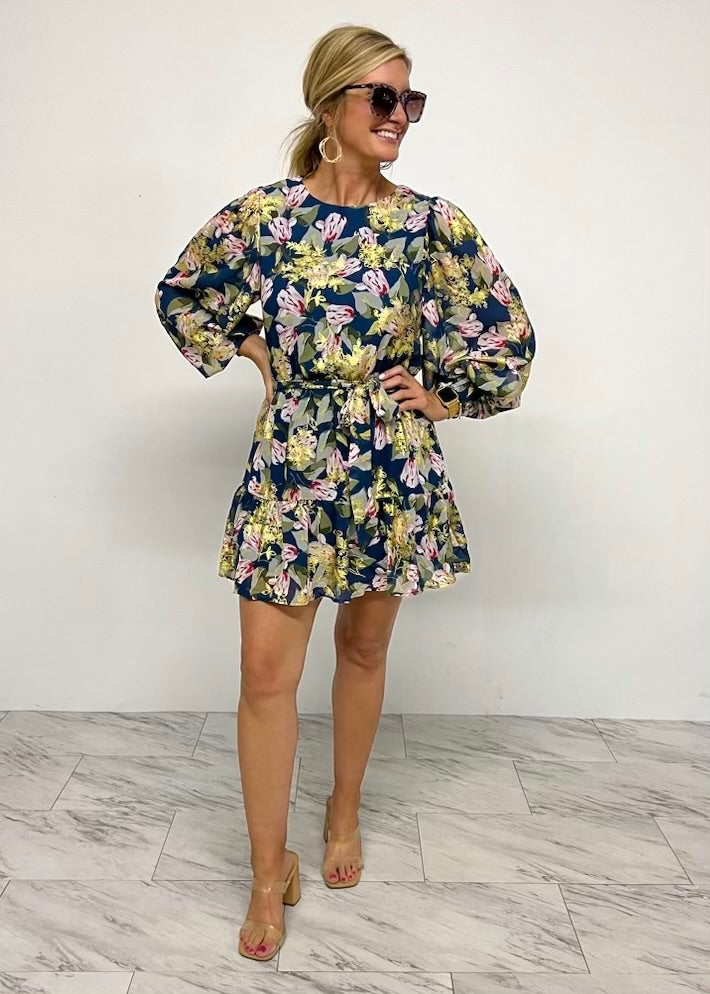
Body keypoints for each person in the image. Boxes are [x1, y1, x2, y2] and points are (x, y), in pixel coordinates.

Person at [153, 23, 536, 963]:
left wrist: (445, 398)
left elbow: (506, 334)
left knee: (362, 648)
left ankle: (344, 809)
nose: (399, 115)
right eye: (382, 97)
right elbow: (184, 292)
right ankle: (265, 872)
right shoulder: (267, 216)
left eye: (410, 99)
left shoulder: (430, 224)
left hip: (388, 466)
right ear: (330, 106)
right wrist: (253, 348)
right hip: (291, 460)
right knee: (264, 673)